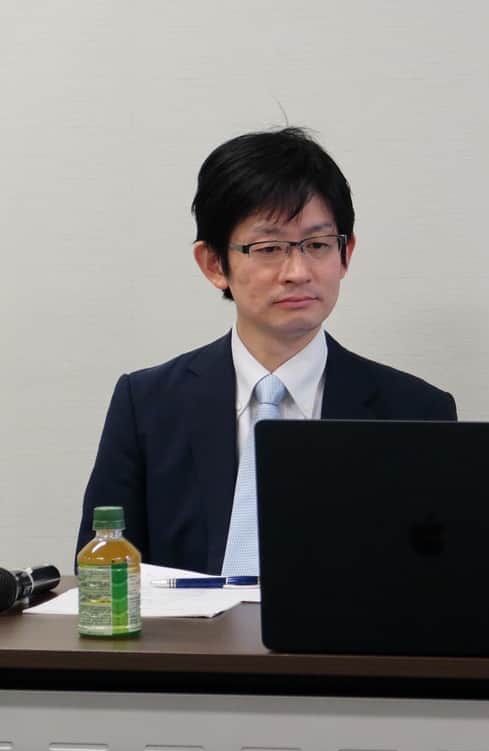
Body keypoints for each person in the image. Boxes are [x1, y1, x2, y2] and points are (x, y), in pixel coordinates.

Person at [77, 127, 456, 574]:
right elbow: (100, 580)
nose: (297, 271)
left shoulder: (416, 412)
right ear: (214, 263)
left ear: (345, 254)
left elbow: (438, 583)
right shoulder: (147, 405)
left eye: (317, 245)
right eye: (269, 247)